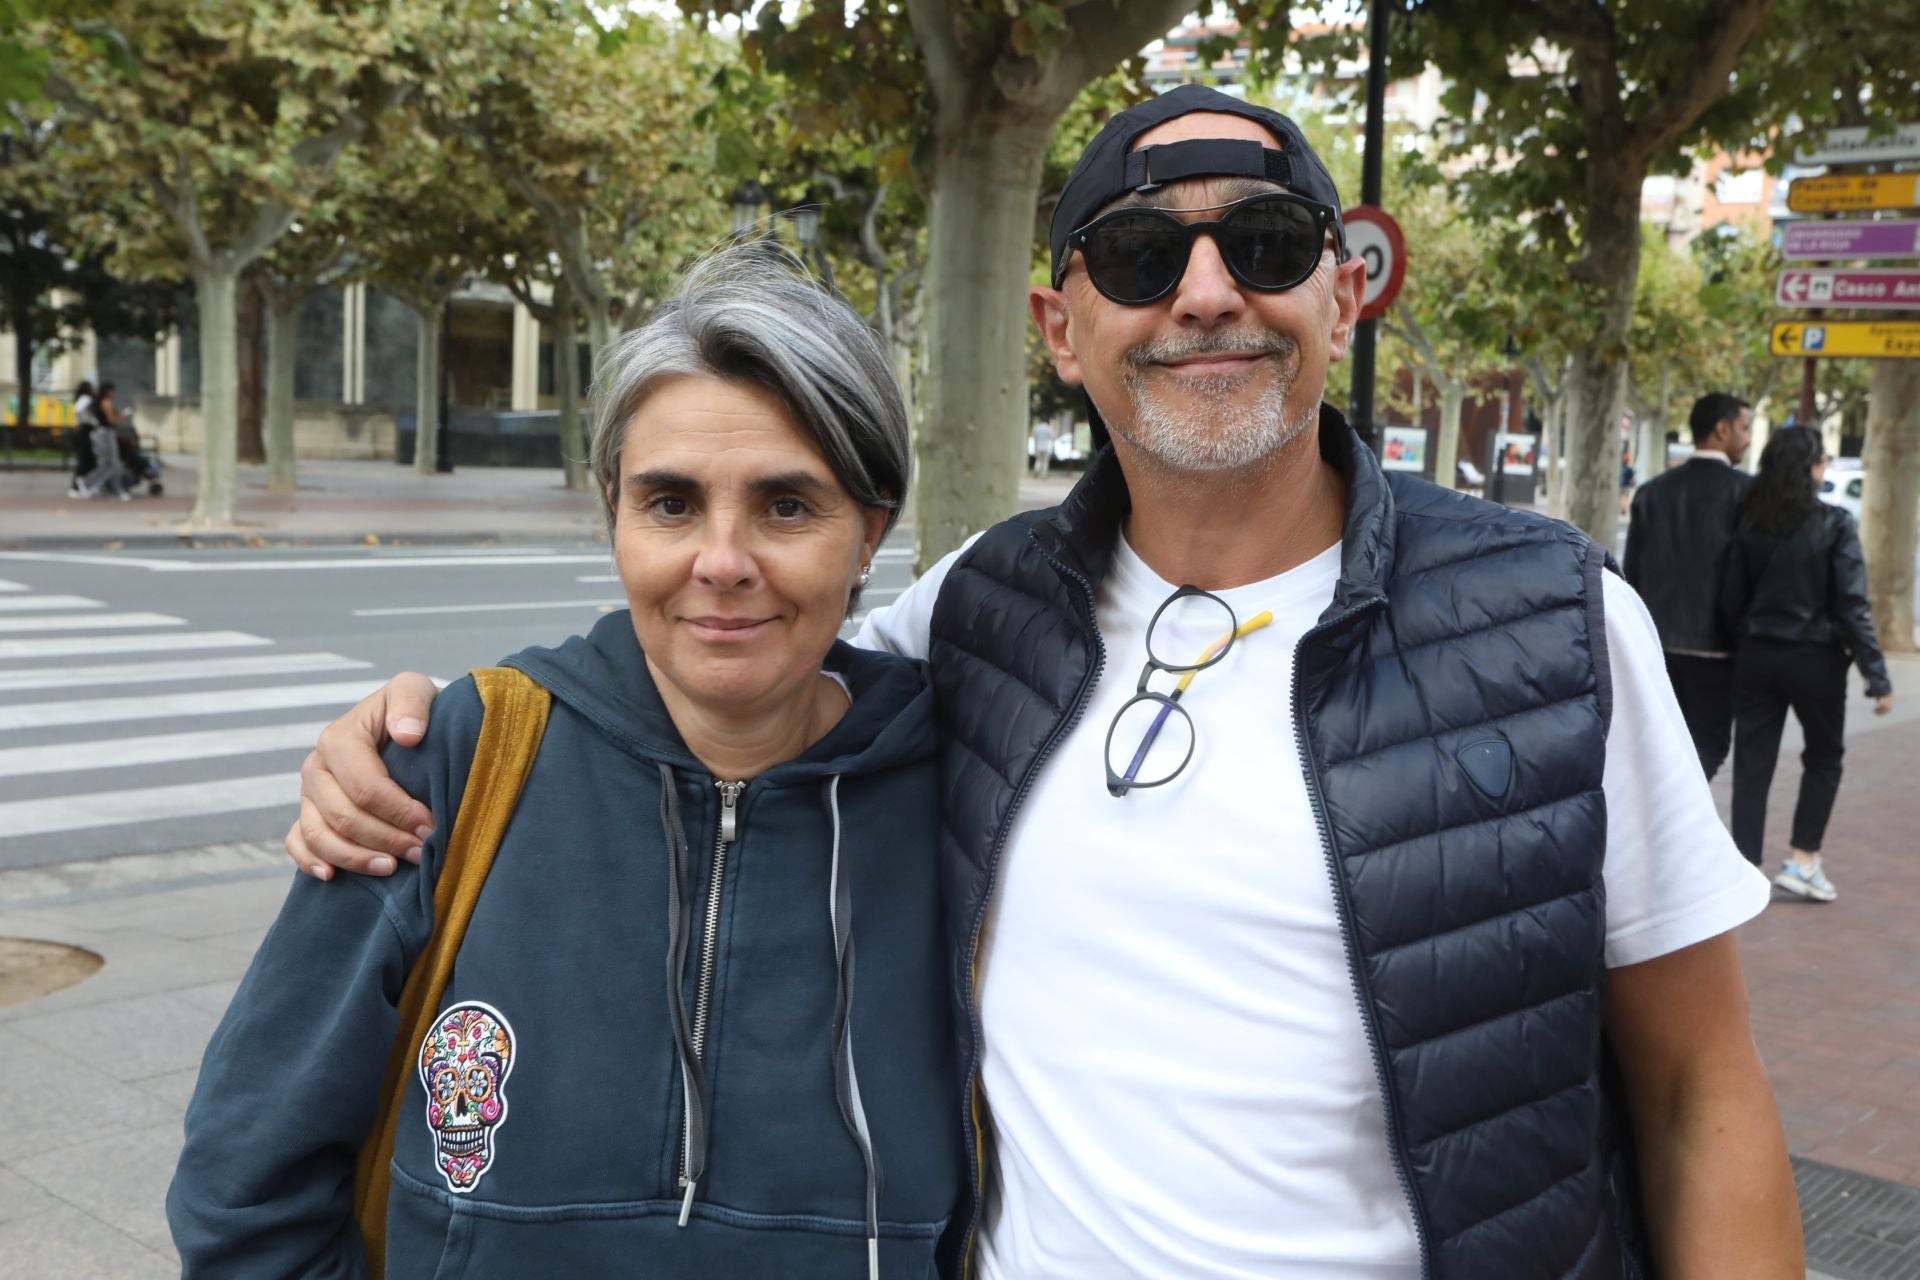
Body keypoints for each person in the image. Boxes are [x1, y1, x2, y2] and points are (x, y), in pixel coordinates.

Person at [287, 86, 1803, 1277]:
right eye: (1142, 256)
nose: (1205, 292)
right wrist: (420, 732)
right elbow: (724, 663)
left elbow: (1698, 1094)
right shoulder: (978, 610)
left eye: (1267, 244)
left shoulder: (1553, 621)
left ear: (1343, 296)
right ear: (1062, 329)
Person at [167, 244, 963, 1278]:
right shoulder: (459, 761)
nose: (722, 561)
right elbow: (245, 1180)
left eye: (787, 505)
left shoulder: (965, 795)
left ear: (870, 533)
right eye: (671, 503)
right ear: (614, 515)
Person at [1720, 425, 1894, 896]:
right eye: (1822, 461)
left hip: (1757, 654)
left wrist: (1745, 639)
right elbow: (1852, 605)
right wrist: (1876, 676)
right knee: (1824, 756)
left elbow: (1730, 597)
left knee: (1752, 762)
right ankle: (1802, 860)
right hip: (1816, 658)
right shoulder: (1835, 524)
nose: (1825, 468)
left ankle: (1745, 869)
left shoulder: (1749, 522)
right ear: (1810, 469)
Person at [1622, 392, 1754, 779]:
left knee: (1660, 744)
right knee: (1708, 744)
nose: (1748, 438)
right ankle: (1682, 811)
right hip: (1715, 647)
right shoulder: (1747, 493)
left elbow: (1631, 574)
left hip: (1656, 643)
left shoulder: (1652, 492)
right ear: (1722, 429)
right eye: (1744, 428)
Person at [80, 380, 132, 500]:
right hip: (107, 434)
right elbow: (111, 421)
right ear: (108, 391)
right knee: (114, 463)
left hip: (102, 433)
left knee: (108, 463)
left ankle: (89, 482)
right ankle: (116, 489)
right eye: (113, 391)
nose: (114, 394)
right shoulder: (106, 403)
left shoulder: (99, 402)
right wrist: (123, 415)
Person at [68, 379, 98, 498]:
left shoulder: (82, 399)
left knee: (89, 460)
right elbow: (79, 410)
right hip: (85, 430)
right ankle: (77, 485)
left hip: (84, 429)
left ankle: (85, 484)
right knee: (85, 459)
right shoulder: (86, 399)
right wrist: (89, 416)